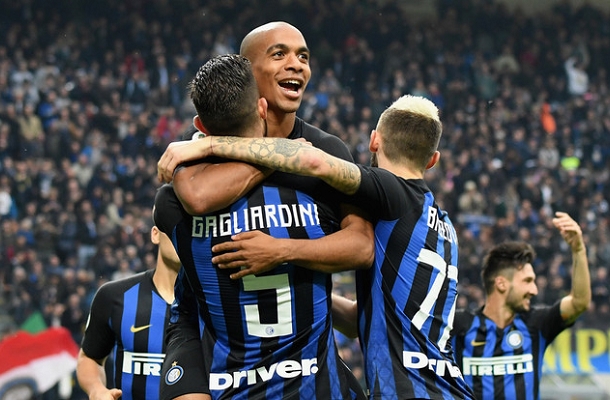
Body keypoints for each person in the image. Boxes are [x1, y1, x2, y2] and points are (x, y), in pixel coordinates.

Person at [157, 94, 475, 399]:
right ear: (433, 160)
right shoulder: (444, 227)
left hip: (407, 392)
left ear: (374, 141)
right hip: (452, 387)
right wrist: (301, 281)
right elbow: (359, 320)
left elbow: (311, 159)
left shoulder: (394, 193)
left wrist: (207, 143)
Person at [155, 53, 368, 399]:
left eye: (302, 55)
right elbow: (363, 248)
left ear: (200, 125)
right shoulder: (312, 180)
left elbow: (196, 194)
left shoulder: (171, 204)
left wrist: (207, 145)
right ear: (262, 108)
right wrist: (288, 155)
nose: (295, 64)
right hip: (314, 382)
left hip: (229, 384)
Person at [450, 212, 591, 400]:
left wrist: (578, 250)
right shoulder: (459, 326)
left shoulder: (537, 324)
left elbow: (579, 302)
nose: (534, 290)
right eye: (527, 281)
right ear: (501, 283)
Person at [76, 211, 208, 400]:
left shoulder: (218, 305)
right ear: (155, 234)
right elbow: (90, 358)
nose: (182, 236)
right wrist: (96, 389)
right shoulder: (114, 297)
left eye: (192, 229)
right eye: (175, 228)